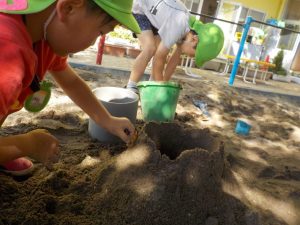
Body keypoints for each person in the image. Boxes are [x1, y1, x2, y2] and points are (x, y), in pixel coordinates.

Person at [0, 0, 140, 176]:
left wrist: (107, 120)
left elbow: (71, 82)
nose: (92, 43)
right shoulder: (8, 56)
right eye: (100, 32)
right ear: (68, 8)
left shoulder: (43, 34)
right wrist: (28, 144)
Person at [126, 0, 224, 93]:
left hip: (155, 17)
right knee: (150, 48)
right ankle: (131, 87)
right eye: (194, 55)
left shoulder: (189, 31)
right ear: (194, 40)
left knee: (160, 52)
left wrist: (164, 83)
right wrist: (161, 89)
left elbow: (173, 62)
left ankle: (151, 86)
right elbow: (158, 58)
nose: (191, 57)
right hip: (140, 9)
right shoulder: (178, 25)